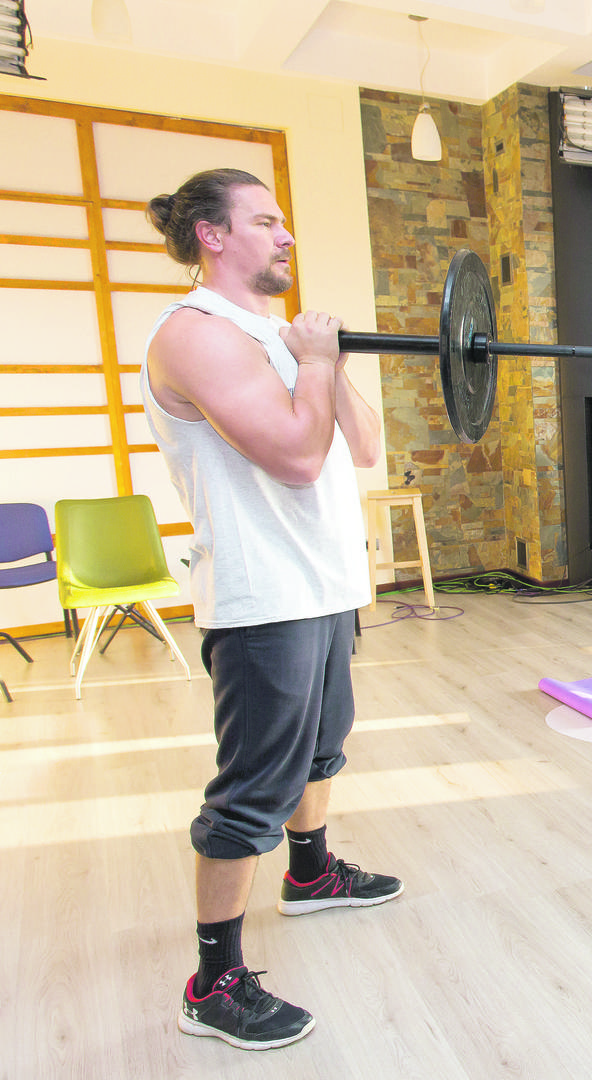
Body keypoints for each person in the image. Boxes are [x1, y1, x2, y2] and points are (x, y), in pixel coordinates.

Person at [143, 168, 401, 1048]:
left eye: (284, 220)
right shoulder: (197, 334)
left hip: (324, 583)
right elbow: (295, 458)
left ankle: (311, 874)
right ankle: (213, 983)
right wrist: (314, 363)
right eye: (265, 220)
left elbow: (362, 448)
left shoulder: (275, 334)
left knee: (324, 746)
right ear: (212, 236)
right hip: (264, 599)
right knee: (251, 791)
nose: (286, 235)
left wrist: (327, 362)